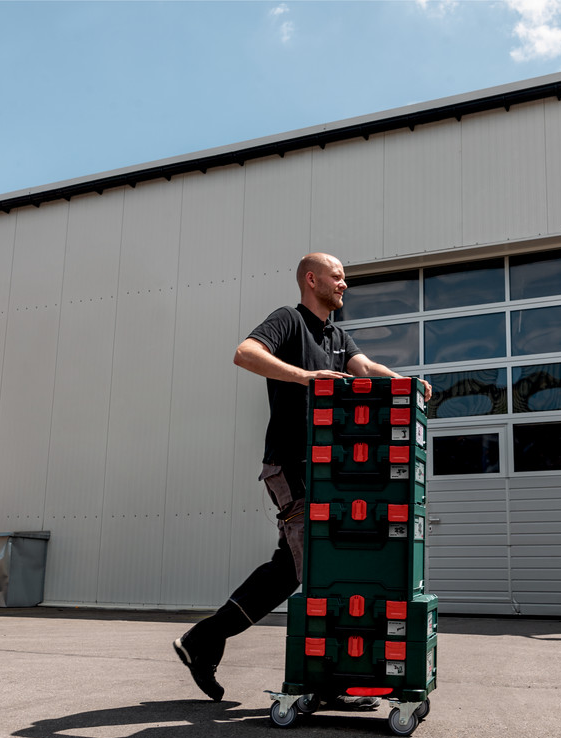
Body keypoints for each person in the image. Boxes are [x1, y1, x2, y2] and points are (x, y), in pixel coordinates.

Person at [173, 252, 432, 702]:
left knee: (292, 567)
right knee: (315, 565)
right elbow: (245, 353)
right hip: (290, 464)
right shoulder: (288, 321)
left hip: (324, 472)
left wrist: (405, 382)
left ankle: (205, 640)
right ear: (312, 280)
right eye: (337, 277)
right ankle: (327, 676)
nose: (344, 284)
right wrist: (305, 377)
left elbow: (366, 368)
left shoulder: (336, 335)